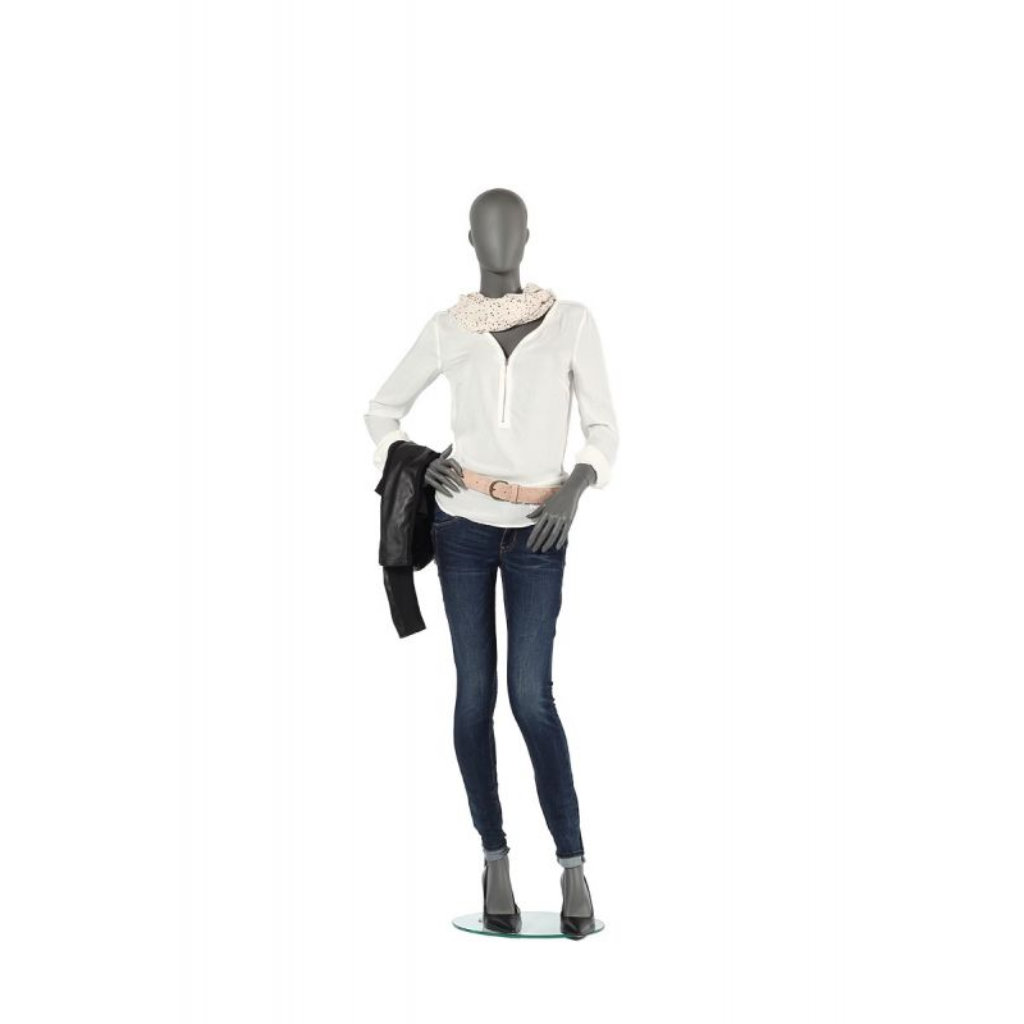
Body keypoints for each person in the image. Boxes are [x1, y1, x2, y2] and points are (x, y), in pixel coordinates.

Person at [363, 189, 618, 938]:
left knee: (530, 697)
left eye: (512, 227)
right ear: (471, 238)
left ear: (527, 235)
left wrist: (578, 482)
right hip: (462, 528)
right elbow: (380, 410)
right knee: (474, 695)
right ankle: (494, 858)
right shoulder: (449, 328)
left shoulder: (572, 321)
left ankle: (572, 864)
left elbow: (604, 426)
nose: (501, 239)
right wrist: (416, 460)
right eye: (487, 227)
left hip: (541, 530)